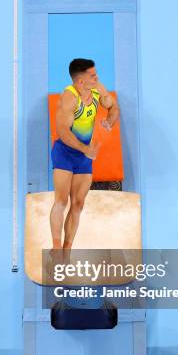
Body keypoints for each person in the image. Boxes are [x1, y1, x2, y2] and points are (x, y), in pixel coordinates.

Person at [50, 58, 120, 252]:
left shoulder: (97, 88)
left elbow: (113, 105)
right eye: (92, 75)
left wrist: (110, 120)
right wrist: (85, 149)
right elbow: (63, 132)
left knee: (78, 204)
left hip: (83, 156)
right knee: (61, 201)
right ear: (80, 82)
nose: (96, 77)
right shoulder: (69, 98)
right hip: (65, 152)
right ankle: (56, 250)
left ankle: (66, 251)